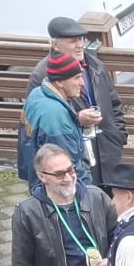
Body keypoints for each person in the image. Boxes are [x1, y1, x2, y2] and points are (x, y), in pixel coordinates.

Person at [27, 15, 129, 176]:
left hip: (108, 151)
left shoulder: (96, 65)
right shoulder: (41, 76)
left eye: (81, 39)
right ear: (55, 45)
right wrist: (77, 118)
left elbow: (114, 103)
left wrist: (119, 136)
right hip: (75, 160)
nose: (80, 45)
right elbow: (41, 123)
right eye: (73, 41)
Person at [21, 53, 92, 189]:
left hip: (39, 179)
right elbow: (68, 166)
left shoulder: (37, 94)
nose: (82, 83)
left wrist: (77, 119)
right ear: (59, 82)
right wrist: (87, 191)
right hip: (60, 190)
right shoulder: (55, 116)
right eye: (77, 78)